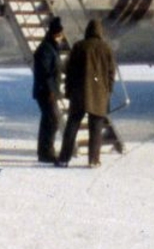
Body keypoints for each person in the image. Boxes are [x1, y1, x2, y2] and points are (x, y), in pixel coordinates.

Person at [56, 18, 116, 168]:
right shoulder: (106, 48)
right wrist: (108, 90)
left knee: (72, 126)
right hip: (99, 94)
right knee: (95, 129)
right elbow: (111, 73)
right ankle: (93, 160)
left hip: (79, 93)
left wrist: (69, 90)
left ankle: (64, 158)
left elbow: (69, 70)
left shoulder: (78, 46)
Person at [32, 16, 65, 164]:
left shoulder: (52, 48)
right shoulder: (46, 49)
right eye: (60, 35)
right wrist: (51, 90)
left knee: (50, 120)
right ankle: (46, 152)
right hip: (46, 92)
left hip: (48, 91)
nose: (61, 38)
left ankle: (45, 151)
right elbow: (45, 72)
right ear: (54, 34)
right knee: (52, 120)